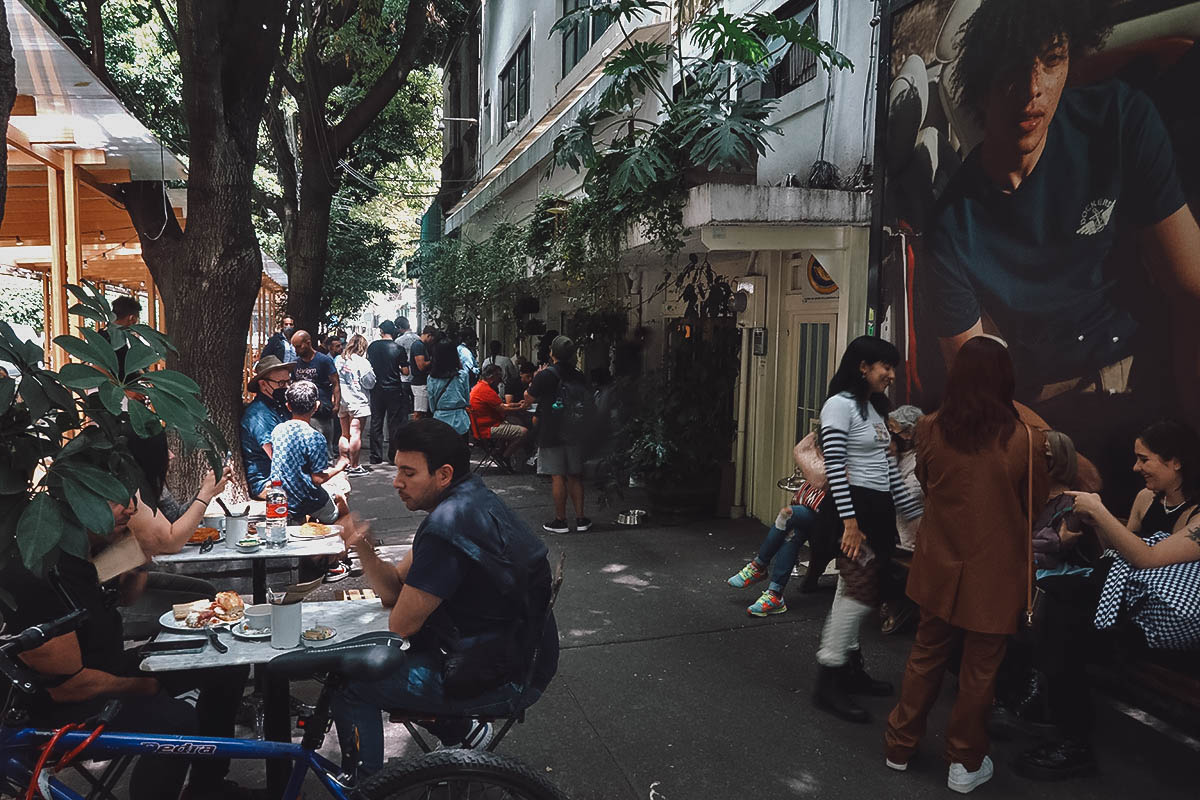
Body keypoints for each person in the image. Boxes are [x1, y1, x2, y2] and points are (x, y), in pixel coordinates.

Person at [923, 0, 1200, 510]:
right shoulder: (950, 227)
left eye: (1051, 60)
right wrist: (1066, 460)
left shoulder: (1118, 120)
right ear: (982, 79)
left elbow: (1191, 286)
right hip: (1046, 424)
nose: (1033, 88)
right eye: (1012, 67)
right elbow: (982, 395)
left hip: (1153, 385)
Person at [330, 419, 559, 779]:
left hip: (503, 673)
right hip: (518, 653)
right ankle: (463, 732)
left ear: (443, 474)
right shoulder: (469, 497)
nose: (396, 482)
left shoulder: (446, 526)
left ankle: (366, 787)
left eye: (408, 473)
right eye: (397, 470)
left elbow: (400, 625)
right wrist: (360, 542)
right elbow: (393, 588)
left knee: (350, 682)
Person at [883, 337, 1049, 794]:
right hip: (995, 573)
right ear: (1005, 380)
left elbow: (925, 481)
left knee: (925, 654)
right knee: (980, 670)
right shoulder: (1027, 440)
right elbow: (1033, 505)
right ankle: (964, 761)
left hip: (938, 562)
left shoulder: (931, 428)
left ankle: (899, 745)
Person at [0, 500, 251, 800]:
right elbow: (67, 687)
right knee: (176, 720)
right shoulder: (38, 572)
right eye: (117, 500)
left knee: (227, 665)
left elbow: (127, 598)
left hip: (109, 669)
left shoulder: (85, 552)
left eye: (132, 498)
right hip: (65, 704)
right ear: (77, 499)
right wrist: (143, 686)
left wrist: (134, 556)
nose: (131, 509)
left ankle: (206, 787)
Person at [1014, 419, 1200, 780]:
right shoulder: (1147, 498)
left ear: (1175, 461)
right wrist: (1096, 525)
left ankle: (1073, 740)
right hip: (1126, 605)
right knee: (1054, 597)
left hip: (1165, 622)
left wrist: (1099, 511)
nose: (1136, 468)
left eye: (1144, 459)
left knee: (1066, 627)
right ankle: (1053, 697)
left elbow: (1148, 558)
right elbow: (1119, 550)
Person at [811, 335, 923, 723]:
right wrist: (850, 523)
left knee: (851, 589)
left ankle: (848, 670)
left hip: (874, 515)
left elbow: (888, 471)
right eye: (885, 366)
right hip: (852, 513)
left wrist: (915, 509)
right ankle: (828, 677)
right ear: (863, 367)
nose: (891, 374)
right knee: (859, 593)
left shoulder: (874, 410)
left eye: (892, 367)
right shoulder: (839, 406)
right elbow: (836, 470)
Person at [726, 437, 826, 617]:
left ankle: (759, 565)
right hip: (814, 511)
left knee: (787, 515)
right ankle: (775, 594)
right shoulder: (835, 429)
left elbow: (822, 479)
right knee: (792, 533)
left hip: (834, 520)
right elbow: (802, 447)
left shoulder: (859, 445)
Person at [271, 381, 352, 582]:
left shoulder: (278, 430)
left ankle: (317, 558)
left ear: (289, 406)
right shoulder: (314, 437)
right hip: (306, 496)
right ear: (315, 407)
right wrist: (340, 465)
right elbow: (317, 479)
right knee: (340, 500)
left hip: (280, 496)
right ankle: (336, 561)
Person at [527, 335, 592, 534]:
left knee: (557, 476)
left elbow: (528, 398)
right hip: (575, 430)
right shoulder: (578, 374)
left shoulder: (545, 375)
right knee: (575, 476)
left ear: (552, 353)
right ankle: (581, 519)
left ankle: (560, 520)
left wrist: (537, 376)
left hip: (551, 431)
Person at [240, 355, 293, 499]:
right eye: (281, 383)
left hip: (284, 478)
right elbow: (277, 456)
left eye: (289, 382)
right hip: (267, 482)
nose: (287, 388)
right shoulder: (258, 414)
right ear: (263, 384)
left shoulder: (281, 407)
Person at [366, 320, 411, 466]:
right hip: (394, 388)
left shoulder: (372, 347)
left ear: (381, 331)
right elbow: (406, 371)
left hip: (376, 388)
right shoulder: (398, 348)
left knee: (376, 421)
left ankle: (375, 455)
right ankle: (393, 454)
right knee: (394, 423)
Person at [291, 329, 341, 459]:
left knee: (324, 446)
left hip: (321, 410)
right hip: (301, 411)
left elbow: (335, 383)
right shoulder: (295, 363)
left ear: (308, 343)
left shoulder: (323, 360)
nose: (296, 350)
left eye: (298, 346)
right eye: (294, 347)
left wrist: (336, 404)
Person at [469, 364, 529, 470]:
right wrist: (521, 408)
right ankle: (505, 456)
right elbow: (503, 409)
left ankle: (500, 451)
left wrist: (517, 404)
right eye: (499, 376)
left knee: (514, 423)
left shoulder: (479, 387)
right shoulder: (486, 390)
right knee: (524, 432)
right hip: (488, 427)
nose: (500, 380)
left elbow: (500, 405)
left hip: (482, 425)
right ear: (492, 377)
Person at [336, 333, 374, 476]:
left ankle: (343, 462)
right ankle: (354, 466)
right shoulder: (362, 362)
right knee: (356, 433)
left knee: (344, 434)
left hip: (342, 400)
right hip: (358, 401)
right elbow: (369, 383)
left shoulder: (339, 360)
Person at [427, 340, 471, 437]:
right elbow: (467, 399)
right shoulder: (462, 375)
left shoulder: (432, 378)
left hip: (440, 419)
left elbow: (431, 403)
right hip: (460, 420)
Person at [99, 295, 141, 378]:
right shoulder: (117, 336)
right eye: (137, 318)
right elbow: (100, 367)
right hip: (119, 388)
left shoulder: (102, 334)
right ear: (131, 318)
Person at [409, 326, 436, 419]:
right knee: (419, 411)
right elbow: (421, 366)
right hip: (419, 383)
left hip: (422, 382)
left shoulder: (422, 346)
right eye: (432, 339)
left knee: (422, 411)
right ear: (429, 336)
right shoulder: (418, 345)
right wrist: (433, 361)